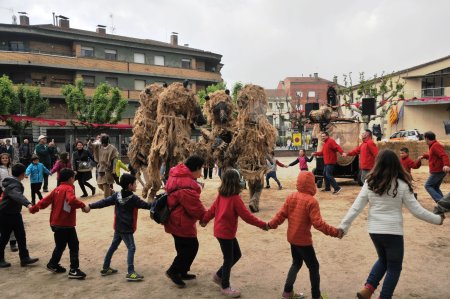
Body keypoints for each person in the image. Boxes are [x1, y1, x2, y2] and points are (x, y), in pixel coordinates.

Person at [338, 149, 444, 299]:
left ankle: (368, 289)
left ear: (378, 163)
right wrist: (437, 219)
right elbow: (417, 211)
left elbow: (356, 207)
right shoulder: (401, 184)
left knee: (383, 260)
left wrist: (343, 226)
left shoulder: (369, 183)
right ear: (396, 164)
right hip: (393, 232)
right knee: (394, 267)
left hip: (374, 231)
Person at [268, 171, 342, 299]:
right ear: (311, 184)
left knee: (296, 262)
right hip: (303, 241)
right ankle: (316, 295)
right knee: (314, 266)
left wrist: (270, 224)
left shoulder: (291, 196)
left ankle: (287, 292)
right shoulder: (311, 202)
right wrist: (335, 232)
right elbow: (318, 224)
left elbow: (281, 215)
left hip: (292, 238)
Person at [201, 169, 268, 298]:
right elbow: (247, 217)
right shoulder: (234, 198)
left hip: (223, 232)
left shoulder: (222, 195)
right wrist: (262, 225)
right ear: (235, 182)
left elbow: (212, 210)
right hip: (225, 233)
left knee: (236, 254)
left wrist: (205, 220)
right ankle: (225, 286)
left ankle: (218, 276)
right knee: (229, 258)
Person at [88, 174, 152, 281]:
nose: (136, 185)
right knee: (131, 248)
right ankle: (131, 272)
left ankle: (105, 267)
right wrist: (160, 202)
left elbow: (103, 202)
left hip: (118, 227)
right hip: (126, 229)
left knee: (113, 246)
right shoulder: (134, 199)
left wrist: (90, 206)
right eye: (134, 183)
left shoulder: (116, 196)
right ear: (130, 185)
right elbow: (147, 206)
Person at [29, 168, 88, 279]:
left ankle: (53, 264)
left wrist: (34, 208)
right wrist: (83, 205)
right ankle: (74, 269)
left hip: (56, 223)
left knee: (60, 246)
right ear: (71, 178)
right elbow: (71, 200)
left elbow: (44, 201)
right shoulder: (69, 188)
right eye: (74, 177)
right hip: (65, 223)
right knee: (74, 245)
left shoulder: (57, 189)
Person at [164, 155, 207, 288]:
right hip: (181, 220)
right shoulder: (186, 185)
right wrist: (204, 217)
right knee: (192, 246)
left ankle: (182, 272)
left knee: (182, 247)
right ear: (196, 168)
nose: (201, 173)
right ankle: (173, 271)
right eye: (201, 169)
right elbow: (195, 207)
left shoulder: (177, 175)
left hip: (173, 218)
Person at [0, 163, 39, 268]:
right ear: (23, 174)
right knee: (4, 237)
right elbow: (17, 195)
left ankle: (24, 258)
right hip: (5, 214)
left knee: (21, 236)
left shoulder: (13, 182)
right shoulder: (14, 184)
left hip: (15, 214)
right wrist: (28, 204)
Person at [419, 131, 450, 202]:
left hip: (438, 170)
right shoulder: (433, 145)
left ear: (426, 138)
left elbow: (444, 155)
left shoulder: (435, 145)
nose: (425, 141)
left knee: (428, 185)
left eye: (425, 139)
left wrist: (446, 165)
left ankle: (442, 203)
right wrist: (424, 156)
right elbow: (433, 156)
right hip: (438, 170)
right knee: (435, 187)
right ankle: (445, 203)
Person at [0, 153, 17, 252]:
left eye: (6, 158)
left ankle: (13, 242)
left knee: (13, 218)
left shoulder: (12, 169)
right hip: (3, 195)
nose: (5, 159)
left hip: (13, 195)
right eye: (3, 158)